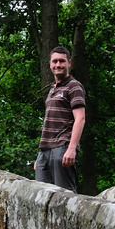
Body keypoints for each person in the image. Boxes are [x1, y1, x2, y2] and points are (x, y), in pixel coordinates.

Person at [35, 46, 86, 192]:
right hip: (45, 150)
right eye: (55, 61)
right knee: (41, 197)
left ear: (69, 63)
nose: (58, 65)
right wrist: (40, 156)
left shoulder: (74, 86)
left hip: (62, 148)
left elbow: (80, 118)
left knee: (65, 197)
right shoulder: (52, 89)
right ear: (50, 64)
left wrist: (71, 149)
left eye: (62, 61)